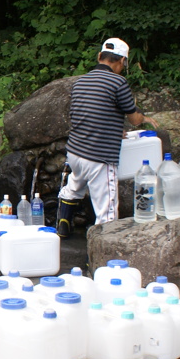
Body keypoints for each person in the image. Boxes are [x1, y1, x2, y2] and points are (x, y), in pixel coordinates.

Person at [56, 38, 159, 237]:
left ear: (99, 57)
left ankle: (62, 225)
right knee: (107, 211)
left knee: (75, 185)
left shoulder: (80, 82)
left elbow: (88, 114)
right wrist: (145, 118)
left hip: (75, 151)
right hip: (99, 156)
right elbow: (134, 118)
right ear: (121, 62)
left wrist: (113, 129)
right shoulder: (117, 82)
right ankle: (102, 256)